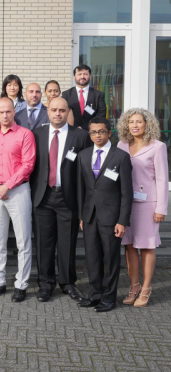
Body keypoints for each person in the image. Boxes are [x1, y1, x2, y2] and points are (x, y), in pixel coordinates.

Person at [30, 97, 90, 303]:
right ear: (48, 111)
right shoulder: (36, 135)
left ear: (68, 112)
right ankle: (45, 284)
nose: (58, 114)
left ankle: (68, 283)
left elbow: (86, 172)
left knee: (67, 244)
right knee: (43, 244)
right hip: (43, 197)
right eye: (54, 110)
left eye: (62, 110)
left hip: (69, 198)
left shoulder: (81, 136)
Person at [77, 117, 132, 313]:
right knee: (92, 258)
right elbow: (82, 189)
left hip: (111, 218)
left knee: (110, 260)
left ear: (109, 133)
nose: (97, 135)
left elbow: (127, 192)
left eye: (101, 132)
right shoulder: (83, 156)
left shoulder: (121, 157)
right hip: (90, 216)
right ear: (89, 134)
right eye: (93, 132)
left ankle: (109, 299)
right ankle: (95, 295)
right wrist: (82, 216)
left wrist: (122, 220)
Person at [0, 97, 36, 302]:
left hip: (18, 191)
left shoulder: (25, 135)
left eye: (8, 111)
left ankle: (21, 284)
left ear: (14, 112)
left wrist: (7, 185)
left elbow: (28, 165)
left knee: (23, 241)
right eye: (1, 112)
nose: (5, 115)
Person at [117, 109, 168, 308]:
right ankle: (134, 287)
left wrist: (161, 208)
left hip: (148, 205)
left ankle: (146, 289)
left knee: (146, 246)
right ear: (126, 125)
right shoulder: (121, 145)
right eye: (131, 122)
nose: (135, 125)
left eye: (139, 121)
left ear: (147, 124)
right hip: (126, 204)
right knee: (129, 246)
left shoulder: (158, 147)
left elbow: (163, 179)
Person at [62, 64, 107, 130]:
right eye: (79, 74)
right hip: (71, 132)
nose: (82, 76)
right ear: (74, 77)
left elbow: (101, 116)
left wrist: (84, 127)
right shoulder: (66, 95)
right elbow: (63, 114)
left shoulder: (98, 95)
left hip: (91, 132)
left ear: (90, 77)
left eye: (85, 74)